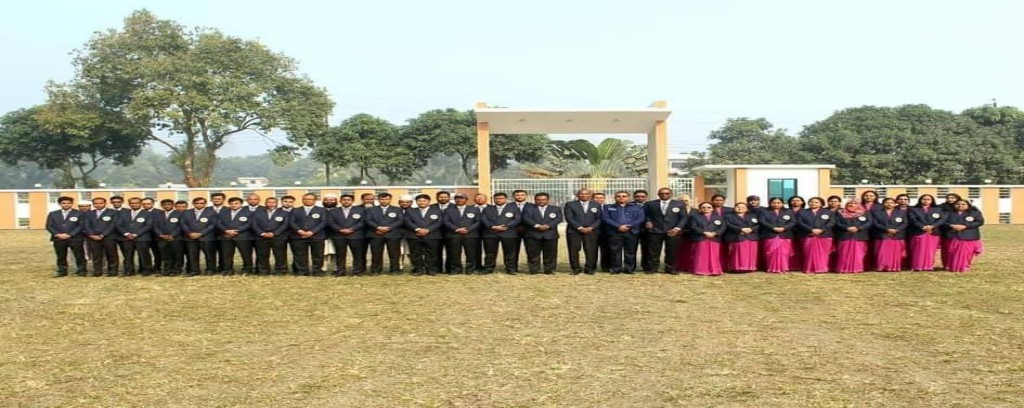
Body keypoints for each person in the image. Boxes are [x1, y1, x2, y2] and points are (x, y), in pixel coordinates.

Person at [643, 187, 687, 274]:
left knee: (672, 251)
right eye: (662, 193)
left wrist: (677, 228)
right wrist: (648, 221)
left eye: (667, 193)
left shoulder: (679, 204)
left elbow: (683, 217)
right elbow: (646, 215)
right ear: (658, 194)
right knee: (653, 251)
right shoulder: (650, 204)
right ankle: (652, 268)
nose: (664, 195)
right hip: (655, 230)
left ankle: (670, 268)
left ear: (671, 194)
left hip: (672, 231)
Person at [601, 190, 645, 274]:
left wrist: (629, 226)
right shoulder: (608, 207)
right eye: (618, 196)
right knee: (615, 251)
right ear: (615, 198)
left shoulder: (637, 207)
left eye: (624, 196)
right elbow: (606, 218)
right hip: (615, 232)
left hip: (631, 232)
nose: (621, 198)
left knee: (630, 251)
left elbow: (640, 218)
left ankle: (629, 269)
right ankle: (616, 268)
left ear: (628, 198)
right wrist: (618, 226)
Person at [522, 192, 563, 274]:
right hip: (533, 234)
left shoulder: (555, 209)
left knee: (550, 253)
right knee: (533, 253)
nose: (541, 201)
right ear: (535, 200)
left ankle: (549, 269)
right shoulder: (528, 209)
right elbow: (525, 218)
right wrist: (537, 226)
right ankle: (534, 270)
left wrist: (548, 226)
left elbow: (559, 218)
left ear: (548, 200)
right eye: (539, 200)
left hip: (550, 234)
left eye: (543, 199)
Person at [326, 194, 366, 276]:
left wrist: (352, 229)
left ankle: (357, 271)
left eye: (348, 200)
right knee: (340, 254)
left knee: (358, 254)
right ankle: (340, 271)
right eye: (344, 200)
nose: (346, 201)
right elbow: (330, 222)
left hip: (356, 235)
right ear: (340, 201)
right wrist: (340, 229)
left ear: (352, 201)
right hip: (339, 235)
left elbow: (363, 221)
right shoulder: (333, 211)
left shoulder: (361, 210)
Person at [481, 192, 521, 274]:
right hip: (491, 233)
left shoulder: (514, 209)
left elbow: (517, 220)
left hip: (508, 233)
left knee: (510, 252)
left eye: (501, 198)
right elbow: (484, 219)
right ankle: (488, 268)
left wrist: (505, 226)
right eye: (496, 198)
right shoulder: (487, 209)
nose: (498, 200)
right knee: (490, 252)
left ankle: (510, 269)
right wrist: (493, 226)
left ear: (506, 199)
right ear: (493, 199)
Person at [564, 188, 601, 274]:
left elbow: (599, 218)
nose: (584, 195)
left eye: (586, 194)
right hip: (574, 231)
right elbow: (569, 217)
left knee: (591, 250)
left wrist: (591, 227)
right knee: (573, 250)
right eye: (581, 194)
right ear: (577, 195)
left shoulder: (596, 205)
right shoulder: (570, 204)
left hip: (591, 231)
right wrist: (580, 227)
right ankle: (576, 268)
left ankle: (590, 268)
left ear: (590, 195)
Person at [442, 193, 482, 274]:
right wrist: (456, 229)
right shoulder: (448, 210)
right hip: (454, 235)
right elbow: (446, 221)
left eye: (461, 198)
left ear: (466, 200)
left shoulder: (474, 209)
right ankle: (456, 269)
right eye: (457, 198)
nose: (459, 200)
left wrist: (468, 229)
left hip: (470, 235)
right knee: (454, 253)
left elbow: (478, 221)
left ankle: (470, 269)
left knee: (471, 253)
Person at [47, 196, 86, 277]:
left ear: (72, 204)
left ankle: (81, 271)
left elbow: (81, 225)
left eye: (68, 203)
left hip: (75, 238)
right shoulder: (53, 214)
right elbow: (49, 226)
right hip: (59, 238)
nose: (66, 205)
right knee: (61, 256)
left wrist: (70, 234)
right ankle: (62, 271)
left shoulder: (79, 213)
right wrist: (58, 234)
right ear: (60, 204)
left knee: (79, 255)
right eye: (63, 203)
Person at [404, 194, 443, 275]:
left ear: (429, 201)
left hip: (432, 235)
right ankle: (418, 269)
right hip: (414, 235)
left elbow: (439, 222)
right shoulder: (410, 211)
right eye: (419, 201)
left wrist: (428, 230)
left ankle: (431, 269)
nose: (422, 202)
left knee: (432, 254)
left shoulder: (437, 211)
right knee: (416, 254)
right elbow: (407, 221)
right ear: (416, 202)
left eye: (424, 201)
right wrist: (417, 229)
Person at [290, 193, 328, 276]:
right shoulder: (295, 210)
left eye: (310, 199)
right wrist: (299, 231)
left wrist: (312, 232)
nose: (307, 201)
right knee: (300, 255)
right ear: (302, 200)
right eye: (305, 199)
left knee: (317, 255)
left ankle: (317, 271)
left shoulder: (322, 210)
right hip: (299, 236)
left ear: (315, 200)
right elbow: (292, 222)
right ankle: (302, 271)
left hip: (317, 236)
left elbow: (323, 222)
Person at [366, 192, 404, 275]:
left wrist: (389, 228)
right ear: (378, 200)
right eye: (382, 199)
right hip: (376, 234)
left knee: (394, 254)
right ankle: (376, 270)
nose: (384, 201)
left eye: (387, 199)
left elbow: (400, 220)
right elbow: (368, 220)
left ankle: (394, 270)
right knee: (376, 253)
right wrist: (378, 227)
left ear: (390, 199)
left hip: (393, 234)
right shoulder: (371, 209)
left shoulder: (397, 209)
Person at [943, 199, 984, 272]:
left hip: (968, 236)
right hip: (952, 236)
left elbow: (980, 222)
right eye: (958, 204)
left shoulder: (974, 213)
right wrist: (951, 226)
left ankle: (964, 267)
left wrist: (966, 226)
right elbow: (942, 222)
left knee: (965, 254)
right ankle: (952, 267)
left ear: (968, 205)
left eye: (963, 204)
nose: (960, 206)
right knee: (952, 253)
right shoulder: (948, 213)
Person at [252, 197, 290, 275]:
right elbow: (254, 224)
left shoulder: (284, 213)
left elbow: (285, 225)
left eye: (273, 202)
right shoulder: (258, 213)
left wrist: (274, 233)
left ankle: (281, 270)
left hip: (278, 237)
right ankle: (263, 271)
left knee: (280, 255)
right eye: (269, 202)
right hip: (262, 237)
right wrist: (262, 233)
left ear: (277, 203)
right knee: (262, 255)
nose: (271, 204)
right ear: (265, 203)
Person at [796, 197, 835, 274]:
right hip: (808, 234)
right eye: (811, 202)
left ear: (821, 204)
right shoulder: (802, 212)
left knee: (824, 253)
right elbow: (800, 222)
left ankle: (822, 268)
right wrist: (811, 230)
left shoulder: (828, 212)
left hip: (825, 235)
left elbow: (831, 222)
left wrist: (821, 230)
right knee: (809, 253)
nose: (813, 203)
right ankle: (809, 268)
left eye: (816, 202)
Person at [182, 197, 219, 276]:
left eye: (201, 203)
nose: (199, 205)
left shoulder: (212, 212)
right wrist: (189, 233)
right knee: (193, 255)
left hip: (206, 237)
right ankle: (194, 270)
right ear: (193, 204)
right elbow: (183, 224)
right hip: (191, 238)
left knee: (209, 255)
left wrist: (201, 233)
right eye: (197, 203)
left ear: (205, 204)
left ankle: (210, 269)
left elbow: (213, 224)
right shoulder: (187, 212)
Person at [83, 197, 120, 277]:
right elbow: (86, 225)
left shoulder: (113, 212)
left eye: (100, 203)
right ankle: (97, 271)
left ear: (105, 203)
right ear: (93, 204)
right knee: (96, 255)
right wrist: (91, 235)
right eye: (96, 203)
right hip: (93, 238)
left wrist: (103, 235)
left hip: (109, 237)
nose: (98, 205)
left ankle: (113, 271)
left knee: (111, 255)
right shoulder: (89, 213)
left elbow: (113, 225)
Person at [687, 202, 726, 276]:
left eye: (708, 207)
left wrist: (715, 233)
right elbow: (693, 227)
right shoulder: (695, 217)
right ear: (700, 209)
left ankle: (715, 270)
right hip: (701, 238)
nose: (706, 209)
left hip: (714, 238)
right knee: (701, 255)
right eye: (703, 207)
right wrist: (704, 232)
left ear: (712, 208)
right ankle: (700, 270)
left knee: (714, 255)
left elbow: (723, 227)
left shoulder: (719, 217)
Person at [217, 197, 254, 275]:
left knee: (246, 254)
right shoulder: (223, 212)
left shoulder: (249, 213)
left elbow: (249, 224)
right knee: (227, 254)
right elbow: (219, 223)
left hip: (242, 236)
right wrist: (226, 230)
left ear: (241, 204)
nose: (233, 205)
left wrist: (237, 230)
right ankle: (228, 270)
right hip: (227, 236)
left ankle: (247, 270)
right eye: (231, 204)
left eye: (236, 203)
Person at [118, 197, 154, 276]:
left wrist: (136, 234)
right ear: (129, 204)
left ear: (140, 204)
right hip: (127, 238)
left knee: (144, 255)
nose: (134, 204)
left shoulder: (148, 213)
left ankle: (146, 270)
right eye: (132, 203)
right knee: (128, 256)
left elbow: (148, 226)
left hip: (142, 238)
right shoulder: (123, 213)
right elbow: (119, 225)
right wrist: (126, 233)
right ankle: (129, 271)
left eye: (136, 203)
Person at [833, 200, 872, 273]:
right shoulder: (840, 213)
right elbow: (837, 222)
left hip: (859, 235)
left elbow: (869, 222)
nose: (851, 204)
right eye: (849, 203)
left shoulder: (865, 212)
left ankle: (857, 268)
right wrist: (846, 228)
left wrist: (858, 228)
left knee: (858, 254)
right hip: (845, 234)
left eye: (854, 203)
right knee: (844, 253)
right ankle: (844, 268)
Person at [908, 194, 945, 271]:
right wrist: (923, 227)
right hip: (919, 231)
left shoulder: (938, 209)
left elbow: (941, 219)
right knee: (918, 250)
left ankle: (928, 266)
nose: (926, 201)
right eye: (924, 199)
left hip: (932, 232)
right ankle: (917, 266)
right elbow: (912, 219)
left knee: (930, 250)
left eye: (928, 199)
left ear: (932, 201)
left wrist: (932, 226)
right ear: (920, 200)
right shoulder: (913, 209)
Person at [759, 197, 796, 273]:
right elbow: (762, 221)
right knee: (770, 252)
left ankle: (784, 267)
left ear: (782, 203)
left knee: (784, 252)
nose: (776, 204)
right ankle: (771, 268)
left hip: (785, 234)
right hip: (770, 234)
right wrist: (773, 228)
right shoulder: (764, 211)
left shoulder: (788, 211)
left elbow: (793, 221)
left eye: (778, 203)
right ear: (770, 203)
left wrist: (784, 228)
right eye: (774, 203)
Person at [871, 197, 908, 272]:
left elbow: (905, 223)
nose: (889, 204)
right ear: (883, 204)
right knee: (882, 252)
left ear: (895, 204)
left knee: (895, 252)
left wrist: (897, 230)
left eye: (891, 203)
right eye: (887, 202)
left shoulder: (901, 212)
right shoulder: (876, 212)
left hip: (897, 235)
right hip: (882, 234)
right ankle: (882, 266)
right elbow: (875, 223)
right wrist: (887, 229)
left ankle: (894, 267)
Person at [724, 202, 760, 272]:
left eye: (743, 207)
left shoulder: (753, 216)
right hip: (736, 236)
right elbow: (728, 225)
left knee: (750, 253)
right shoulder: (728, 216)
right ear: (734, 208)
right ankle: (736, 267)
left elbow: (758, 224)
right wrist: (740, 229)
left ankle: (750, 267)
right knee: (736, 253)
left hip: (751, 236)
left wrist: (751, 229)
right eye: (738, 207)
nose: (740, 208)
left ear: (747, 209)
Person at [152, 199, 185, 276]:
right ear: (162, 206)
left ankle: (177, 270)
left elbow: (181, 226)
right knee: (165, 255)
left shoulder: (179, 214)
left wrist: (172, 235)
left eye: (169, 204)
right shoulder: (158, 214)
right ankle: (167, 270)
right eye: (164, 205)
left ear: (173, 205)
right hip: (162, 239)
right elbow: (154, 226)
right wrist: (161, 235)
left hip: (176, 238)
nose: (166, 206)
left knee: (177, 255)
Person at [938, 193, 963, 267]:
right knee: (946, 249)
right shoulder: (941, 207)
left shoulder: (963, 206)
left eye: (952, 198)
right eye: (948, 198)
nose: (950, 199)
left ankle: (956, 263)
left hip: (961, 231)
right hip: (946, 230)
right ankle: (946, 264)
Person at [432, 191, 453, 273]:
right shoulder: (431, 207)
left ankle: (450, 269)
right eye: (441, 197)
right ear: (437, 198)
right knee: (436, 252)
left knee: (451, 252)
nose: (443, 198)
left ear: (449, 198)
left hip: (451, 233)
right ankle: (437, 269)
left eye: (445, 197)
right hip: (435, 233)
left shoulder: (454, 207)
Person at [141, 198, 161, 274]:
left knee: (157, 253)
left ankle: (157, 267)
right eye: (144, 204)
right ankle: (144, 268)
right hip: (143, 236)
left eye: (148, 204)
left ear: (153, 204)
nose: (146, 205)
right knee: (143, 253)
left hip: (156, 236)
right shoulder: (140, 212)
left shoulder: (159, 212)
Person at [787, 196, 807, 271]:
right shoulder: (786, 211)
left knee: (802, 249)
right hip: (789, 232)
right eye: (793, 200)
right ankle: (791, 265)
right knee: (791, 249)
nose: (795, 202)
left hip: (803, 232)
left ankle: (801, 265)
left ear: (802, 202)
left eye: (798, 200)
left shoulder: (806, 211)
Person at [208, 192, 227, 272]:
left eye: (219, 199)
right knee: (210, 253)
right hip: (209, 235)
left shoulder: (228, 210)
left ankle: (222, 268)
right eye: (215, 199)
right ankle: (211, 269)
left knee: (224, 253)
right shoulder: (206, 210)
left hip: (224, 235)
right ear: (211, 200)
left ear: (223, 200)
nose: (217, 200)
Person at [593, 192, 611, 272]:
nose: (599, 199)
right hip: (593, 231)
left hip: (606, 232)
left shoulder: (608, 207)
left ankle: (606, 266)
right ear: (592, 199)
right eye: (596, 198)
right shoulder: (590, 207)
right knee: (593, 250)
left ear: (604, 199)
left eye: (601, 198)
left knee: (606, 250)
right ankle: (592, 266)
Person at [632, 189, 650, 271]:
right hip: (633, 230)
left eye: (642, 196)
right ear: (634, 197)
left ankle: (646, 266)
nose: (640, 198)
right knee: (632, 249)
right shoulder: (629, 205)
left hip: (647, 231)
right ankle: (631, 266)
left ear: (646, 197)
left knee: (647, 249)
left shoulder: (650, 205)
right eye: (637, 196)